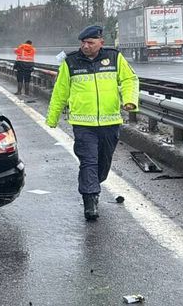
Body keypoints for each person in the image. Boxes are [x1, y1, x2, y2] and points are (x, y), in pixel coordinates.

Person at [46, 26, 138, 221]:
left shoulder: (114, 58)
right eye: (83, 43)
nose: (85, 46)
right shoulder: (70, 62)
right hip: (83, 124)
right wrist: (52, 118)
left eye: (90, 43)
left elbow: (130, 79)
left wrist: (130, 100)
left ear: (101, 42)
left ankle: (94, 186)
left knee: (103, 163)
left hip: (110, 122)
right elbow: (60, 92)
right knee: (88, 161)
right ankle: (90, 201)